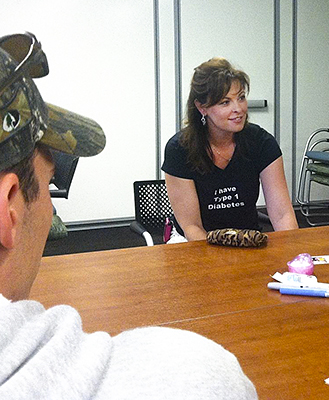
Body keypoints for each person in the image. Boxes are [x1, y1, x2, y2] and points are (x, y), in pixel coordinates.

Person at [0, 33, 257, 399]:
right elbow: (191, 226)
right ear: (8, 208)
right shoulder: (201, 374)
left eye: (240, 98)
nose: (52, 208)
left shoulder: (257, 141)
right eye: (48, 182)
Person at [162, 57, 298, 241]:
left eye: (241, 98)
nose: (238, 109)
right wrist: (219, 259)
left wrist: (293, 250)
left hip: (247, 237)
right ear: (202, 108)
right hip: (195, 241)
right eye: (225, 102)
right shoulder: (179, 149)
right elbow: (192, 227)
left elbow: (282, 215)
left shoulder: (261, 142)